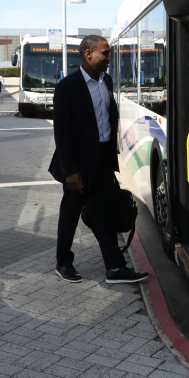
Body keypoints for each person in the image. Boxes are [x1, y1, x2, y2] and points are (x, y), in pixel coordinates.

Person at [49, 35, 148, 285]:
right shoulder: (67, 87)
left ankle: (115, 268)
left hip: (103, 161)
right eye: (104, 53)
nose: (109, 57)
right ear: (88, 54)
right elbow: (62, 132)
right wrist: (70, 170)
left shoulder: (106, 81)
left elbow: (106, 119)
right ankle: (63, 262)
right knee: (70, 214)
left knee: (104, 213)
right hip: (78, 165)